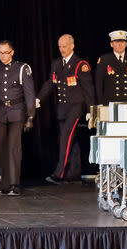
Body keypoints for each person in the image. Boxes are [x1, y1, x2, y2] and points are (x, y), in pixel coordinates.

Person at [37, 34, 95, 185]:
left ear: (72, 46)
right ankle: (74, 174)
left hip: (77, 106)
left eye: (64, 46)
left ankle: (59, 173)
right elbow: (50, 83)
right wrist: (39, 98)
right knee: (71, 140)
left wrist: (90, 110)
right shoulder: (57, 64)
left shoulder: (80, 64)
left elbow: (88, 89)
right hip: (63, 107)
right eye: (60, 46)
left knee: (66, 138)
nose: (62, 49)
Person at [0, 40, 35, 196]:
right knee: (1, 148)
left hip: (16, 112)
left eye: (5, 52)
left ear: (12, 52)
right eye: (0, 52)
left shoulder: (22, 68)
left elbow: (29, 93)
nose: (3, 56)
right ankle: (5, 184)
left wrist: (30, 115)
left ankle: (14, 184)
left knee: (13, 147)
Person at [95, 30, 127, 105]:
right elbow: (99, 84)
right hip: (110, 103)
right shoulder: (104, 60)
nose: (120, 44)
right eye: (117, 42)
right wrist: (100, 104)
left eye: (122, 42)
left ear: (126, 44)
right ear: (111, 44)